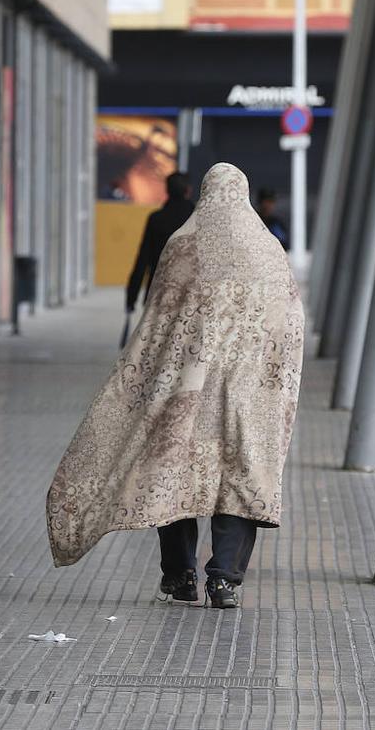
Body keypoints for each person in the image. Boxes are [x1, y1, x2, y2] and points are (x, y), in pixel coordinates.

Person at [47, 162, 305, 609]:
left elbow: (159, 319)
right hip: (246, 395)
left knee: (173, 474)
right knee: (239, 478)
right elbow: (290, 323)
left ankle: (180, 575)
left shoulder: (184, 244)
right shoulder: (268, 250)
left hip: (187, 388)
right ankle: (224, 580)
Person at [126, 171, 195, 312]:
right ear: (188, 190)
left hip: (158, 292)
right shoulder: (196, 219)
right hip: (190, 294)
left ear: (167, 190)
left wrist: (131, 297)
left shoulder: (156, 219)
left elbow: (143, 259)